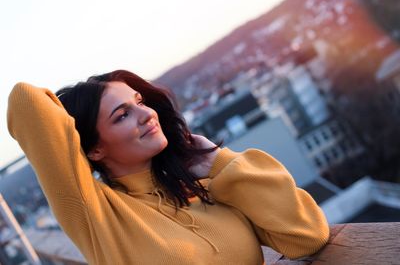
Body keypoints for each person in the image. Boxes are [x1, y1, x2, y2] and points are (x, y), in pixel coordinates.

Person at [7, 69, 329, 264]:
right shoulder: (97, 216)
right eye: (122, 115)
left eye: (139, 102)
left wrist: (219, 161)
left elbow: (306, 237)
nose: (146, 114)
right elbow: (26, 103)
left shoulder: (205, 187)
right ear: (94, 148)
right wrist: (81, 102)